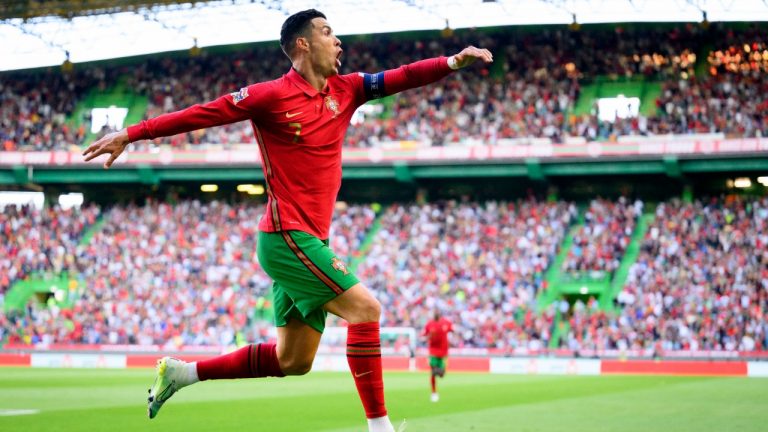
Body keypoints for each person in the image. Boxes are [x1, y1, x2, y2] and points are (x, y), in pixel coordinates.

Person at [83, 9, 492, 432]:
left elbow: (402, 75)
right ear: (303, 44)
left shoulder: (347, 89)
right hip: (285, 237)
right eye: (327, 33)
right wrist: (132, 133)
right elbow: (205, 113)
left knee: (293, 361)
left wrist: (451, 63)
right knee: (366, 309)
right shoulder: (270, 95)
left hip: (308, 241)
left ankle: (183, 373)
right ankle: (380, 428)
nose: (338, 42)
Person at [422, 310, 453, 402]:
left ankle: (439, 373)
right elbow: (425, 335)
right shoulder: (429, 324)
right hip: (433, 351)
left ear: (440, 315)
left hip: (443, 352)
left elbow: (452, 330)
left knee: (441, 374)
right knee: (433, 371)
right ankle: (434, 392)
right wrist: (426, 338)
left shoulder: (446, 323)